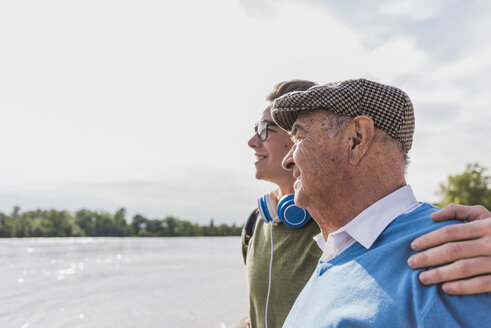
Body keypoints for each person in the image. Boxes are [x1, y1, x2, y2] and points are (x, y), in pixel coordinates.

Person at [243, 80, 491, 328]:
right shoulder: (337, 251)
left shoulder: (451, 257)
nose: (288, 161)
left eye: (299, 137)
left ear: (357, 139)